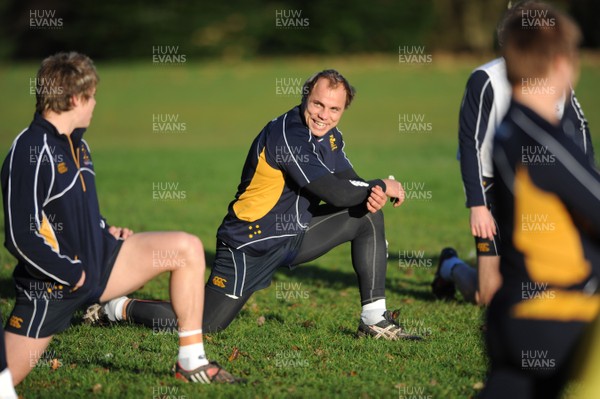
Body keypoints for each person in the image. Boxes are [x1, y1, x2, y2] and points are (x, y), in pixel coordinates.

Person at [92, 69, 419, 341]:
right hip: (250, 242)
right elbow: (333, 191)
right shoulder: (288, 135)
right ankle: (115, 307)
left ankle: (374, 318)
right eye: (318, 104)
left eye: (334, 109)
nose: (324, 115)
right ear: (305, 95)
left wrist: (371, 193)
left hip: (294, 234)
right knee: (206, 324)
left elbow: (349, 179)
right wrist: (379, 186)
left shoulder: (330, 136)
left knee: (366, 216)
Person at [1, 52, 239, 385]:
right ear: (74, 98)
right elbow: (19, 236)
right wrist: (72, 274)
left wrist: (104, 228)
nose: (95, 103)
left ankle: (191, 362)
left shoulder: (77, 145)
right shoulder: (30, 150)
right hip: (57, 285)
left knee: (185, 248)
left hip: (102, 260)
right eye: (92, 96)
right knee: (5, 380)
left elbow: (76, 210)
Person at [432, 0, 595, 305]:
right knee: (487, 294)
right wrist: (477, 205)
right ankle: (450, 265)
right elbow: (471, 144)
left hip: (542, 185)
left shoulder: (556, 78)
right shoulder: (485, 79)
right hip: (493, 186)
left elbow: (580, 131)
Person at [480, 4, 600, 397]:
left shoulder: (512, 128)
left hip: (516, 315)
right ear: (563, 62)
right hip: (558, 314)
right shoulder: (541, 141)